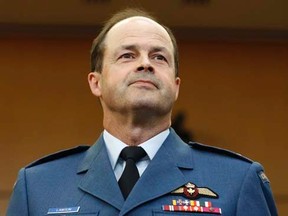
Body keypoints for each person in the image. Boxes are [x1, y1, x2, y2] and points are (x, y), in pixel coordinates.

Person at [7, 8, 278, 216]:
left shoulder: (238, 180)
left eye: (159, 57)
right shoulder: (39, 186)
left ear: (175, 86)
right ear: (96, 82)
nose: (145, 64)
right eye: (127, 55)